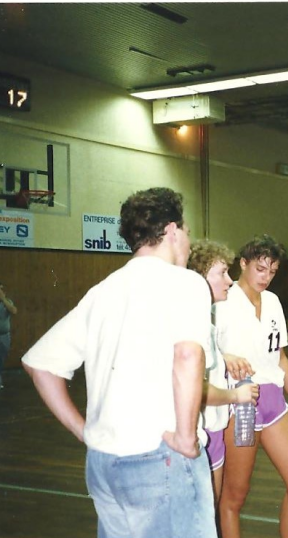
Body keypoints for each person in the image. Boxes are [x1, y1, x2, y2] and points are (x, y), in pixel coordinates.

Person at [21, 187, 217, 538]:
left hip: (103, 463)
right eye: (187, 232)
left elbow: (39, 364)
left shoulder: (103, 291)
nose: (188, 243)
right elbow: (187, 354)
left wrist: (84, 431)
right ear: (172, 231)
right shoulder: (186, 282)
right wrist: (187, 437)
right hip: (160, 458)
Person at [214, 234, 288, 538]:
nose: (266, 277)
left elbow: (279, 357)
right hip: (241, 407)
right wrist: (224, 356)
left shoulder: (272, 302)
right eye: (260, 269)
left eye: (272, 271)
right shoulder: (222, 302)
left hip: (274, 404)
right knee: (234, 497)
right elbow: (201, 351)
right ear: (243, 263)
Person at [187, 239, 260, 508]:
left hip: (214, 429)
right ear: (199, 279)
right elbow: (195, 389)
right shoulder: (192, 325)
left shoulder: (207, 318)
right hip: (199, 431)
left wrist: (223, 357)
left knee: (211, 510)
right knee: (202, 514)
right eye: (221, 273)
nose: (229, 281)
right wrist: (236, 396)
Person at [0, 282, 17, 389]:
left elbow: (14, 311)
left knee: (1, 358)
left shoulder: (7, 302)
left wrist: (3, 299)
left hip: (4, 336)